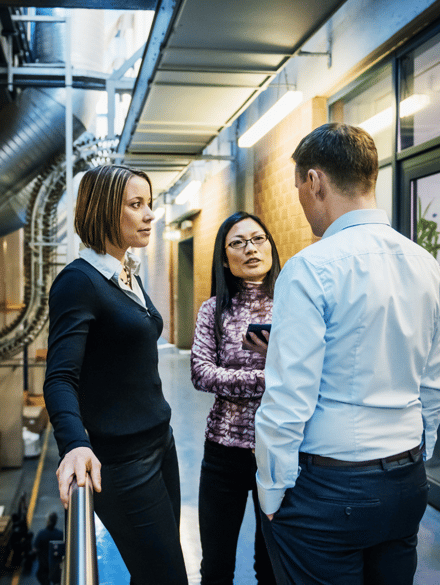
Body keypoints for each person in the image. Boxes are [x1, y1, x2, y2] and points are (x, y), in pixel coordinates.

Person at [255, 123, 440, 585]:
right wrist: (420, 454)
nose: (300, 201)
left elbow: (288, 397)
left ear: (315, 181)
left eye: (298, 186)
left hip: (330, 493)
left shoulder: (310, 269)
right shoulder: (426, 263)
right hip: (407, 481)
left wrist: (272, 492)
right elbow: (434, 381)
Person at [43, 165, 188, 585]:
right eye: (136, 205)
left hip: (162, 444)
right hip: (124, 463)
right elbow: (60, 377)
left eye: (150, 205)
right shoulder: (79, 282)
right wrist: (74, 444)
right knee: (167, 578)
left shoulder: (127, 271)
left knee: (155, 569)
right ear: (106, 209)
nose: (149, 215)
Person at [191, 211, 280, 585]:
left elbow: (315, 372)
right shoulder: (213, 310)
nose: (250, 248)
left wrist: (239, 378)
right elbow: (201, 373)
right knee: (216, 567)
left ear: (271, 246)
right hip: (223, 453)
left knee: (273, 567)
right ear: (224, 257)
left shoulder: (294, 304)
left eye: (258, 239)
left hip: (279, 448)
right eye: (238, 243)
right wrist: (270, 377)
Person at [34, 512, 63, 585]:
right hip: (55, 565)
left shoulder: (41, 534)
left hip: (44, 565)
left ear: (48, 521)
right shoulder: (60, 534)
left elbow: (35, 548)